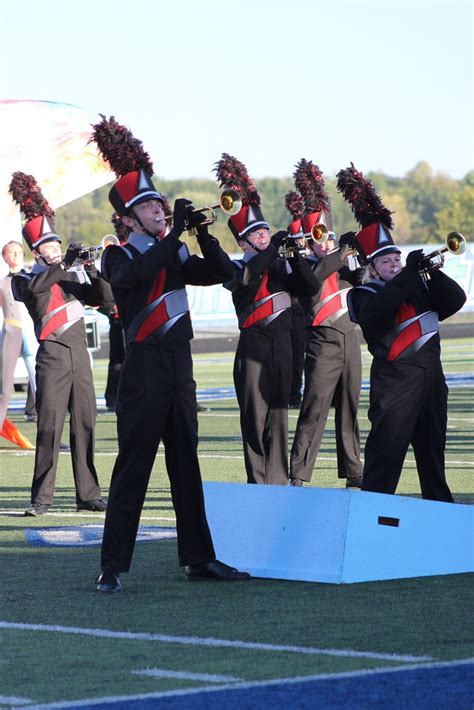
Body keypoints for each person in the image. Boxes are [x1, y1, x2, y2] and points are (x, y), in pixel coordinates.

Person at [90, 116, 250, 593]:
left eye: (158, 203)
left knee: (187, 461)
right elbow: (132, 280)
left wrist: (198, 233)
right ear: (127, 217)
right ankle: (112, 565)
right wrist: (174, 235)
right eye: (148, 206)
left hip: (180, 366)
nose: (158, 210)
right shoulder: (117, 256)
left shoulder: (174, 251)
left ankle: (199, 558)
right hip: (142, 370)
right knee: (134, 465)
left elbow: (223, 273)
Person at [337, 162, 466, 502]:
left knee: (433, 462)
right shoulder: (363, 294)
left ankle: (441, 524)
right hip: (394, 386)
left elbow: (455, 300)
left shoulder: (416, 286)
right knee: (384, 463)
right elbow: (380, 312)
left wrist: (431, 273)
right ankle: (371, 524)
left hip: (431, 383)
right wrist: (409, 275)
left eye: (397, 258)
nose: (394, 265)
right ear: (372, 268)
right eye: (387, 262)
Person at [214, 153, 321, 485]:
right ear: (244, 242)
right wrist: (274, 248)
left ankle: (277, 482)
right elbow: (247, 278)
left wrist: (296, 257)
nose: (264, 237)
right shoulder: (235, 266)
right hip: (253, 349)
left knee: (278, 419)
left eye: (265, 232)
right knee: (255, 419)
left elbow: (311, 286)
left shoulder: (279, 263)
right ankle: (258, 483)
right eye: (257, 235)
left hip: (283, 348)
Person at [9, 172, 110, 516]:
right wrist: (64, 263)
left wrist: (93, 269)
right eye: (49, 247)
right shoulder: (23, 278)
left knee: (86, 423)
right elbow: (36, 291)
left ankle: (89, 494)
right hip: (51, 356)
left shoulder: (71, 274)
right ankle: (41, 498)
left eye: (57, 245)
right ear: (36, 252)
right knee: (49, 427)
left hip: (79, 355)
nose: (55, 250)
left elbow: (104, 300)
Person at [288, 160, 363, 488]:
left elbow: (359, 279)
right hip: (321, 343)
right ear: (308, 239)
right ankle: (299, 474)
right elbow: (314, 282)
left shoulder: (339, 262)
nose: (325, 242)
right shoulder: (305, 266)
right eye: (318, 237)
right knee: (314, 410)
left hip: (349, 338)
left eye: (328, 236)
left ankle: (355, 471)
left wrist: (361, 260)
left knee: (350, 409)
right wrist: (340, 253)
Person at [0, 241, 38, 433]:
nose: (15, 256)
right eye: (11, 253)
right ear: (4, 257)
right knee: (4, 384)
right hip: (11, 329)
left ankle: (46, 429)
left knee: (39, 380)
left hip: (31, 332)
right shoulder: (2, 282)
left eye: (18, 252)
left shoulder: (32, 277)